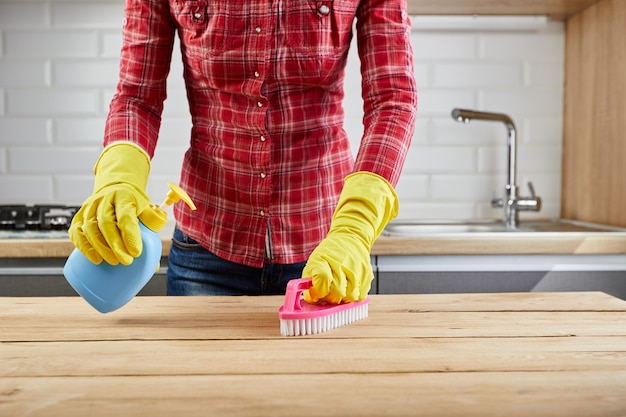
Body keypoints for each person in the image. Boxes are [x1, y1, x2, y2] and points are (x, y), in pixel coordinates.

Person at [68, 0, 418, 304]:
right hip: (206, 255)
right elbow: (136, 97)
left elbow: (393, 99)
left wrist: (355, 227)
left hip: (327, 251)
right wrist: (118, 180)